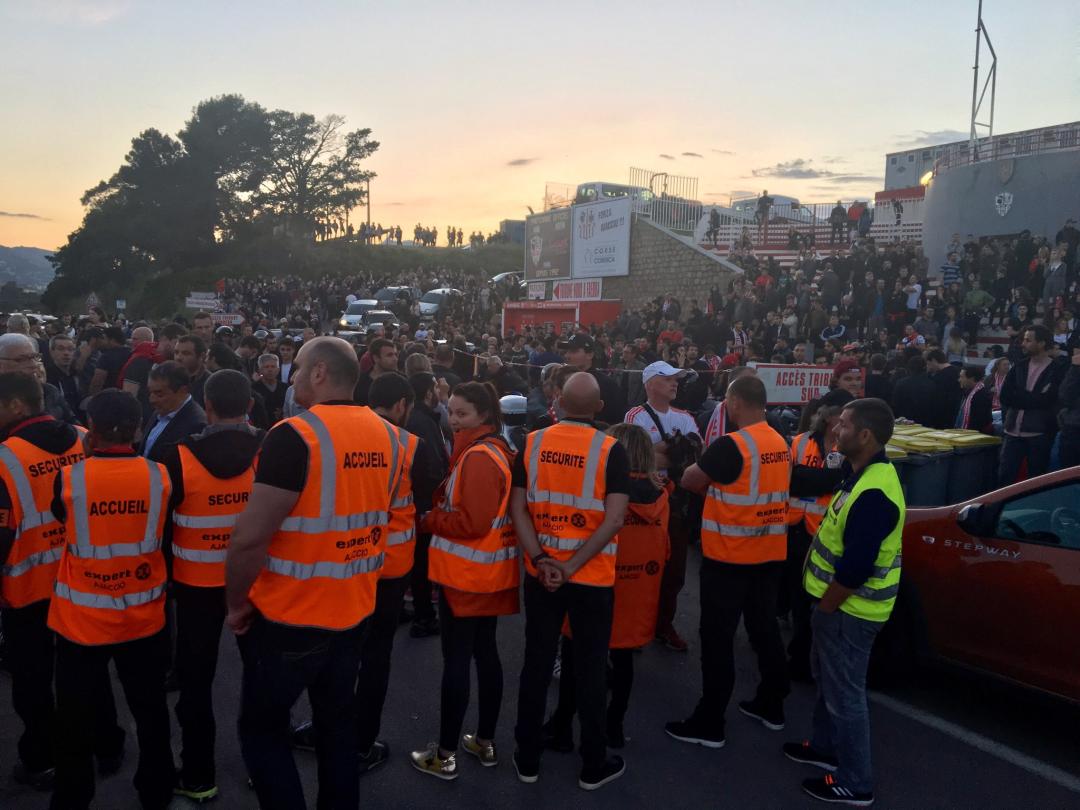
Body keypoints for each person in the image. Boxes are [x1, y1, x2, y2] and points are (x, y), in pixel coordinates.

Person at [225, 336, 405, 810]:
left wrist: (236, 603)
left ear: (321, 373)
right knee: (337, 730)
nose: (293, 374)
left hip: (291, 616)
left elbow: (248, 537)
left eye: (299, 366)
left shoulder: (293, 435)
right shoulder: (388, 434)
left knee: (263, 733)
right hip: (353, 610)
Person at [48, 390, 175, 810]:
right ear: (138, 430)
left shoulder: (68, 479)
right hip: (143, 619)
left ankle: (72, 798)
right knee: (151, 711)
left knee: (73, 721)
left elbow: (61, 517)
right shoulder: (160, 476)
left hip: (81, 622)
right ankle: (156, 791)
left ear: (92, 434)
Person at [511, 372, 630, 790]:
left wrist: (544, 559)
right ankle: (592, 764)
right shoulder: (612, 450)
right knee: (592, 669)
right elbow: (614, 519)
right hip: (591, 578)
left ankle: (527, 758)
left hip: (541, 576)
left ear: (558, 402)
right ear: (599, 408)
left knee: (537, 664)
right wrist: (572, 565)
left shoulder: (532, 442)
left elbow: (518, 509)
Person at [785, 398, 905, 807]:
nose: (836, 430)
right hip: (839, 610)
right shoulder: (862, 474)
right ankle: (823, 747)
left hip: (849, 613)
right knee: (828, 682)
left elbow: (855, 568)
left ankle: (856, 781)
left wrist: (826, 609)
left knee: (846, 695)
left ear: (865, 435)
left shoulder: (873, 491)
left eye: (845, 425)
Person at [666, 375, 790, 746]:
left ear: (735, 402)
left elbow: (690, 480)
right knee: (764, 629)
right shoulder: (779, 441)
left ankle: (710, 720)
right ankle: (772, 703)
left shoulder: (731, 445)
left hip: (729, 558)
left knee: (717, 638)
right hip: (768, 553)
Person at [159, 370, 263, 802]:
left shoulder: (177, 456)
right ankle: (263, 763)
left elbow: (162, 528)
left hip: (194, 585)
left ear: (208, 404)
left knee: (196, 682)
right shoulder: (270, 450)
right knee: (260, 676)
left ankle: (199, 774)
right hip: (255, 582)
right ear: (251, 406)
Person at [410, 382, 519, 780]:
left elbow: (471, 523)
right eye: (450, 411)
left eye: (462, 414)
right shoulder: (494, 449)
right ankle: (484, 742)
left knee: (458, 660)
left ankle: (445, 754)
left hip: (467, 576)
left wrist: (430, 518)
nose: (453, 419)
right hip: (489, 572)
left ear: (484, 416)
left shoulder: (478, 457)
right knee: (485, 655)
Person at [543, 422, 669, 750]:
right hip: (637, 589)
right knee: (623, 662)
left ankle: (563, 725)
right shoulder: (661, 496)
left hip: (596, 582)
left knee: (575, 658)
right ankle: (614, 725)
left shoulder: (604, 494)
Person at [0, 373, 87, 790]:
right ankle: (83, 750)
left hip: (28, 592)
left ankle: (41, 759)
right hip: (83, 583)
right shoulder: (87, 440)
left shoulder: (4, 458)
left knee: (33, 685)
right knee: (79, 678)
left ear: (18, 406)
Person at [624, 360, 701, 652]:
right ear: (650, 383)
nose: (675, 383)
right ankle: (633, 625)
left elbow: (695, 457)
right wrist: (673, 454)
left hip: (676, 503)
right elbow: (634, 458)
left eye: (677, 379)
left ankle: (662, 624)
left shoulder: (685, 416)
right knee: (640, 567)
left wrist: (658, 452)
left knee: (675, 570)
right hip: (644, 502)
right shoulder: (636, 415)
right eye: (668, 378)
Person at [785, 405, 845, 681]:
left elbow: (839, 482)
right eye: (838, 417)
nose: (840, 423)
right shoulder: (799, 442)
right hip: (796, 527)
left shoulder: (848, 449)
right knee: (796, 593)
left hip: (825, 532)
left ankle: (805, 657)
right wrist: (824, 480)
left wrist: (810, 479)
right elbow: (790, 481)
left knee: (812, 597)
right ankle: (799, 655)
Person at [406, 372, 449, 638]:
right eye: (435, 387)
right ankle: (424, 617)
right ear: (427, 393)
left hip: (416, 501)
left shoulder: (422, 418)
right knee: (421, 561)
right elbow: (432, 466)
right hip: (422, 502)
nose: (438, 391)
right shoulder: (422, 421)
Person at [999, 325, 1065, 485]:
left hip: (1039, 434)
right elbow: (1005, 396)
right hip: (1012, 433)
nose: (1023, 343)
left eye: (1028, 340)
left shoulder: (1056, 370)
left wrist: (1022, 397)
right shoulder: (1019, 367)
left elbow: (1048, 399)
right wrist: (1032, 398)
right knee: (1004, 478)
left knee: (1035, 481)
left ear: (1041, 343)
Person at [141, 362, 208, 462]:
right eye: (150, 392)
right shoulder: (160, 411)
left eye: (159, 394)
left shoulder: (197, 425)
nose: (152, 399)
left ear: (182, 391)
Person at [559, 333, 626, 426]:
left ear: (590, 355)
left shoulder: (607, 385)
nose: (567, 355)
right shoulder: (562, 380)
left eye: (573, 351)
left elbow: (616, 421)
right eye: (567, 351)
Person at [355, 337, 399, 405]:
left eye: (395, 355)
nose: (395, 359)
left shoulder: (402, 381)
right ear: (376, 358)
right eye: (389, 355)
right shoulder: (360, 383)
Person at [174, 335, 211, 408]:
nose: (178, 357)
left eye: (186, 353)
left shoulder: (210, 383)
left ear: (202, 356)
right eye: (176, 352)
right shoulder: (169, 379)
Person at [956, 365, 994, 435]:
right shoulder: (969, 392)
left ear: (972, 379)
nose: (959, 380)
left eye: (962, 377)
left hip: (975, 436)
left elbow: (979, 421)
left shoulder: (981, 395)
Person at [252, 353, 286, 422]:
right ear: (260, 370)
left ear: (278, 369)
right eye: (266, 367)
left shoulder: (285, 387)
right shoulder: (254, 388)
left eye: (273, 366)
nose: (270, 370)